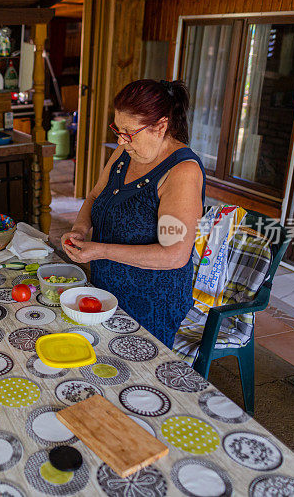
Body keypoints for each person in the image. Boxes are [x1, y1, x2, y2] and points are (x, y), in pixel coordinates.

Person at [61, 79, 206, 347]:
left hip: (151, 303)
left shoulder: (182, 173)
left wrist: (100, 250)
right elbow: (95, 196)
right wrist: (80, 231)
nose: (120, 139)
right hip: (107, 289)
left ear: (160, 126)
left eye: (129, 131)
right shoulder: (125, 152)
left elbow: (174, 255)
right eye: (118, 129)